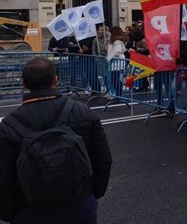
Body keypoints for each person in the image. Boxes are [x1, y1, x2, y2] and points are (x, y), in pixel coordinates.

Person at [0, 57, 112, 223]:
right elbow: (103, 159)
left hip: (30, 208)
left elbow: (4, 175)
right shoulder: (83, 112)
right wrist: (93, 193)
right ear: (55, 80)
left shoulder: (9, 124)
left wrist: (8, 212)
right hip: (79, 201)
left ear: (24, 83)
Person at [106, 26, 128, 97]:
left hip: (116, 64)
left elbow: (117, 52)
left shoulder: (117, 41)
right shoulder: (114, 41)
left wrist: (110, 58)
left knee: (115, 80)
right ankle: (118, 95)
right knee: (115, 79)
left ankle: (119, 95)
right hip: (115, 63)